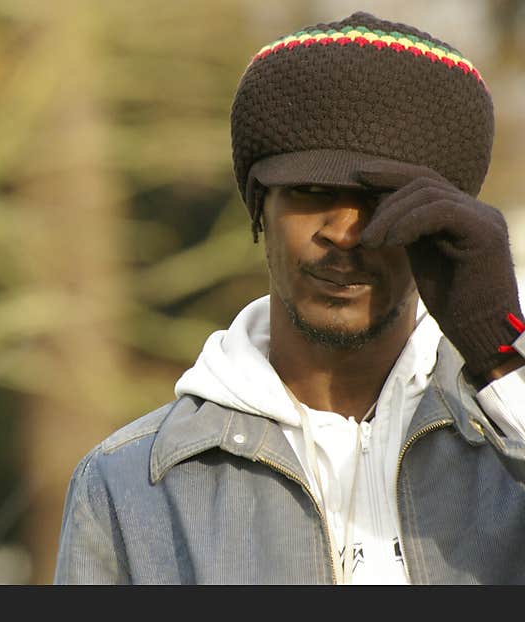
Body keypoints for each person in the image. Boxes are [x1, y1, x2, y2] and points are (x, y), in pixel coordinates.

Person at [53, 11, 525, 584]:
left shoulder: (503, 446)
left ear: (445, 226)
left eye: (386, 202)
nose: (345, 231)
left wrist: (502, 353)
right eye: (309, 190)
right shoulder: (129, 488)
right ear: (259, 209)